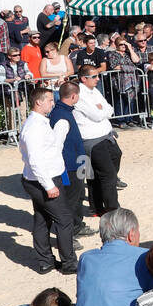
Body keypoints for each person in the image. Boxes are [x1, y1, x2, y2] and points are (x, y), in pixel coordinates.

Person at [18, 87, 76, 275]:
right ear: (39, 102)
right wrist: (49, 185)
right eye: (50, 100)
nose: (53, 103)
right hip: (44, 179)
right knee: (64, 219)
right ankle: (68, 263)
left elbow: (49, 149)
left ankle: (45, 261)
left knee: (42, 219)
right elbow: (35, 160)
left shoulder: (39, 123)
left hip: (42, 177)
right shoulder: (34, 127)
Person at [75, 66, 123, 217]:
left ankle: (98, 205)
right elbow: (96, 115)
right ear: (84, 79)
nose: (98, 79)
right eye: (94, 76)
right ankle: (112, 210)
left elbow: (109, 109)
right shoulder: (79, 94)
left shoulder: (94, 90)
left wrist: (101, 110)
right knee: (106, 175)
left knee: (115, 157)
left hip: (105, 134)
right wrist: (101, 110)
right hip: (92, 139)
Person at [50, 82, 95, 239]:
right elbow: (56, 146)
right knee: (69, 201)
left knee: (79, 196)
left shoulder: (65, 111)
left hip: (78, 161)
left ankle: (77, 225)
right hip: (69, 167)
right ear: (74, 96)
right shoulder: (61, 117)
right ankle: (67, 235)